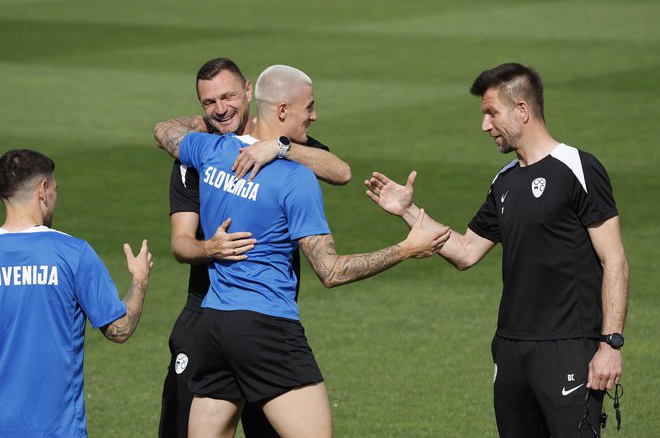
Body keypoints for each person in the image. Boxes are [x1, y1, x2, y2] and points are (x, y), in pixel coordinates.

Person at [154, 64, 450, 438]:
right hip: (266, 327)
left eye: (227, 98)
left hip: (213, 326)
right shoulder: (296, 179)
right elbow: (331, 271)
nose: (313, 115)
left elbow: (164, 132)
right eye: (307, 107)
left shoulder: (211, 152)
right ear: (281, 110)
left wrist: (216, 124)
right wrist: (407, 248)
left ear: (249, 96)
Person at [365, 62, 629, 437]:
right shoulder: (504, 181)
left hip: (568, 346)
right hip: (510, 350)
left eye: (491, 113)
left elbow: (614, 260)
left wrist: (610, 344)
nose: (484, 125)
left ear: (522, 110)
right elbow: (466, 250)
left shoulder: (578, 168)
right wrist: (408, 211)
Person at [158, 57, 351, 438]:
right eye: (208, 103)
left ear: (249, 91)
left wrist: (276, 146)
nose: (220, 109)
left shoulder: (291, 148)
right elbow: (181, 244)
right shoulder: (201, 156)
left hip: (247, 315)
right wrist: (210, 248)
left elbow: (340, 171)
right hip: (208, 309)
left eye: (227, 97)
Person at [0, 149, 154, 438]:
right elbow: (119, 329)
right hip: (57, 430)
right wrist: (140, 281)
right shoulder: (72, 253)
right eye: (55, 189)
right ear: (42, 190)